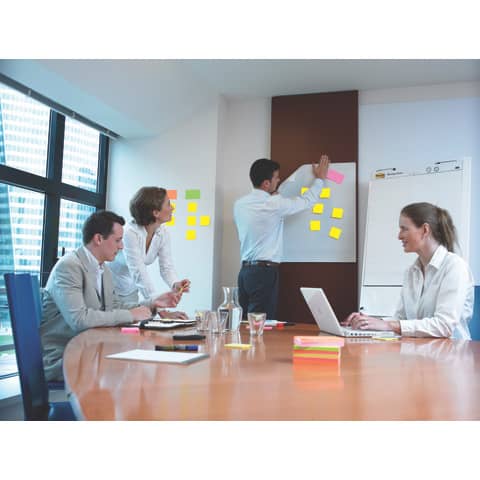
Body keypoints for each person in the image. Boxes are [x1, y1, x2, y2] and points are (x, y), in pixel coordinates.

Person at [41, 210, 181, 381]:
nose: (121, 246)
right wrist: (131, 315)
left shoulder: (103, 269)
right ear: (98, 239)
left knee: (142, 359)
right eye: (117, 240)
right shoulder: (69, 267)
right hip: (66, 355)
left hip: (92, 349)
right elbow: (79, 319)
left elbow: (114, 306)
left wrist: (153, 303)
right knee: (134, 367)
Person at [343, 202, 474, 339]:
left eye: (404, 229)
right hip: (420, 349)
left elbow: (444, 326)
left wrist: (389, 325)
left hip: (452, 350)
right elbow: (401, 318)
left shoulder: (454, 267)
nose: (399, 236)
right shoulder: (412, 272)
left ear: (425, 230)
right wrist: (369, 322)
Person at [234, 155, 330, 319]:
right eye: (276, 178)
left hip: (245, 272)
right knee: (261, 323)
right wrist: (320, 179)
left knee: (244, 323)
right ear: (266, 183)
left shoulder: (239, 204)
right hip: (264, 273)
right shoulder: (274, 204)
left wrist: (275, 196)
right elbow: (307, 201)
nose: (279, 180)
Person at [109, 186, 191, 319]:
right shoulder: (130, 233)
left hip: (131, 291)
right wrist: (162, 311)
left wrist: (175, 284)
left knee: (131, 327)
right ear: (156, 213)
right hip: (111, 290)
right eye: (168, 204)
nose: (172, 208)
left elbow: (166, 267)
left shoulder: (163, 233)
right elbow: (139, 273)